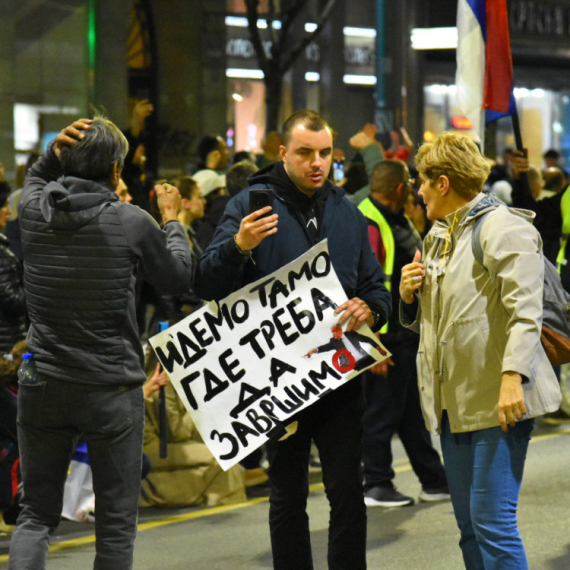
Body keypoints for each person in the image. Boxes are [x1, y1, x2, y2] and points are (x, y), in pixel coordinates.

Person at [195, 109, 391, 570]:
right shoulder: (249, 205)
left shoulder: (346, 212)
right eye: (305, 153)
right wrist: (237, 247)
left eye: (325, 153)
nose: (317, 163)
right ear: (283, 153)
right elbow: (205, 282)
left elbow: (375, 288)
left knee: (348, 494)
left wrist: (373, 310)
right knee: (287, 497)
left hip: (339, 379)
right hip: (277, 384)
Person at [8, 116, 193, 570]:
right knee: (113, 528)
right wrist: (173, 220)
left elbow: (34, 178)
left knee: (35, 516)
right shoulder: (131, 221)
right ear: (115, 170)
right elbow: (177, 276)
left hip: (43, 381)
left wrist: (54, 153)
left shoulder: (33, 210)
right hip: (111, 389)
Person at [400, 132, 561, 570]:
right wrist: (409, 298)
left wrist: (513, 378)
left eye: (422, 180)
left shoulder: (503, 228)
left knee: (492, 522)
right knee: (469, 526)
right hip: (456, 403)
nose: (417, 189)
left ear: (444, 183)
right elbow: (441, 322)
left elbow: (525, 312)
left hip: (500, 401)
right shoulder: (437, 235)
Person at [358, 160, 449, 508]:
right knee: (381, 415)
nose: (415, 189)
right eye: (411, 183)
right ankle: (376, 484)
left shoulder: (389, 217)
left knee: (411, 414)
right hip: (387, 340)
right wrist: (373, 343)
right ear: (400, 188)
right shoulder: (369, 221)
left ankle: (434, 481)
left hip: (402, 336)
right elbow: (364, 284)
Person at [140, 350, 247, 508]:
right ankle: (217, 502)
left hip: (162, 443)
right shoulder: (166, 380)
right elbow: (176, 433)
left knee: (231, 459)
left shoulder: (172, 374)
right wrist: (202, 408)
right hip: (153, 447)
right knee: (223, 460)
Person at [0, 182, 26, 354]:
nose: (9, 211)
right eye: (5, 205)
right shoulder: (1, 256)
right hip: (6, 347)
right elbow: (15, 302)